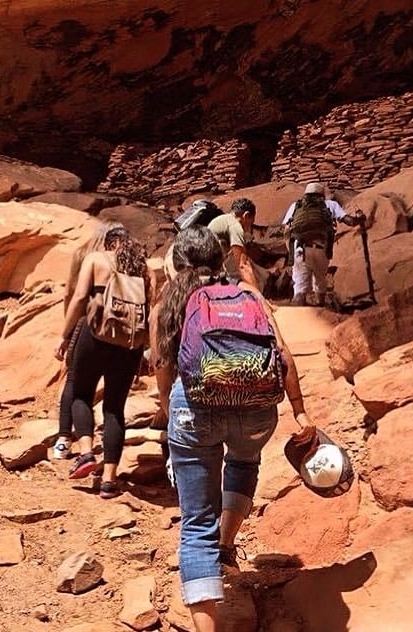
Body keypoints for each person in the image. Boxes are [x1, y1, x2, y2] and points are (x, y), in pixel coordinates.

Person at [154, 226, 314, 632]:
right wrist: (299, 411)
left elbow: (162, 367)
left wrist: (169, 413)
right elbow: (283, 355)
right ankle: (226, 543)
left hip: (195, 412)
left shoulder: (170, 301)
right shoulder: (249, 295)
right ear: (220, 258)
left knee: (196, 526)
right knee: (244, 459)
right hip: (255, 414)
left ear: (177, 264)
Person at [54, 225, 152, 499]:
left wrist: (64, 335)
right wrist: (146, 348)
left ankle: (86, 453)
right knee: (114, 409)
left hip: (96, 334)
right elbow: (149, 308)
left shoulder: (96, 259)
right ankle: (109, 480)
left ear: (109, 243)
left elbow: (79, 297)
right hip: (128, 344)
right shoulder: (142, 268)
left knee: (81, 394)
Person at [52, 221, 124, 460]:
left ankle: (64, 438)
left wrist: (67, 327)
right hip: (117, 327)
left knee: (74, 382)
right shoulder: (124, 259)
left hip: (85, 323)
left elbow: (72, 293)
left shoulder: (85, 255)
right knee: (113, 402)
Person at [282, 182, 365, 306]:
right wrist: (360, 218)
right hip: (322, 249)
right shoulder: (330, 205)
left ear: (306, 194)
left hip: (300, 249)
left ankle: (299, 313)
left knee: (300, 288)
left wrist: (291, 253)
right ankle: (321, 308)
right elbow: (350, 221)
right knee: (320, 282)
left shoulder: (296, 206)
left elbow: (286, 231)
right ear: (322, 194)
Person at [207, 197, 261, 290]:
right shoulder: (236, 226)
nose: (249, 228)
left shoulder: (225, 219)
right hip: (209, 260)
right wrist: (254, 291)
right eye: (251, 223)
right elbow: (242, 264)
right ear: (246, 216)